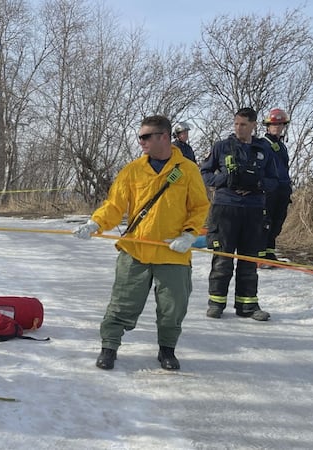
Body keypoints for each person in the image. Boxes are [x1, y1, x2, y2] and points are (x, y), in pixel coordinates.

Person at [74, 116, 209, 371]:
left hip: (173, 252)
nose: (141, 142)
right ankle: (109, 348)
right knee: (121, 303)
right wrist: (95, 224)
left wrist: (189, 235)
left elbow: (200, 207)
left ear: (164, 137)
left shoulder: (188, 170)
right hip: (135, 249)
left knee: (173, 307)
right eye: (140, 137)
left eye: (146, 137)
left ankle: (167, 350)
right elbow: (114, 205)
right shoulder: (132, 170)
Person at [200, 107, 278, 321]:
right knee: (223, 258)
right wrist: (224, 180)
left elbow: (276, 180)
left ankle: (248, 306)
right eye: (236, 123)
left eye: (243, 124)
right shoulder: (222, 147)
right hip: (226, 208)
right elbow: (204, 172)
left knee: (249, 259)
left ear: (253, 125)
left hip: (253, 209)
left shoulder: (264, 150)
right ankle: (216, 303)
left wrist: (257, 183)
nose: (238, 128)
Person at [261, 108, 293, 264]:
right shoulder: (262, 145)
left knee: (277, 222)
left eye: (280, 124)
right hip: (269, 190)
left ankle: (270, 253)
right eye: (275, 125)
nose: (278, 128)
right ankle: (260, 255)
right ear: (268, 126)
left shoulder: (282, 146)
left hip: (282, 189)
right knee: (265, 222)